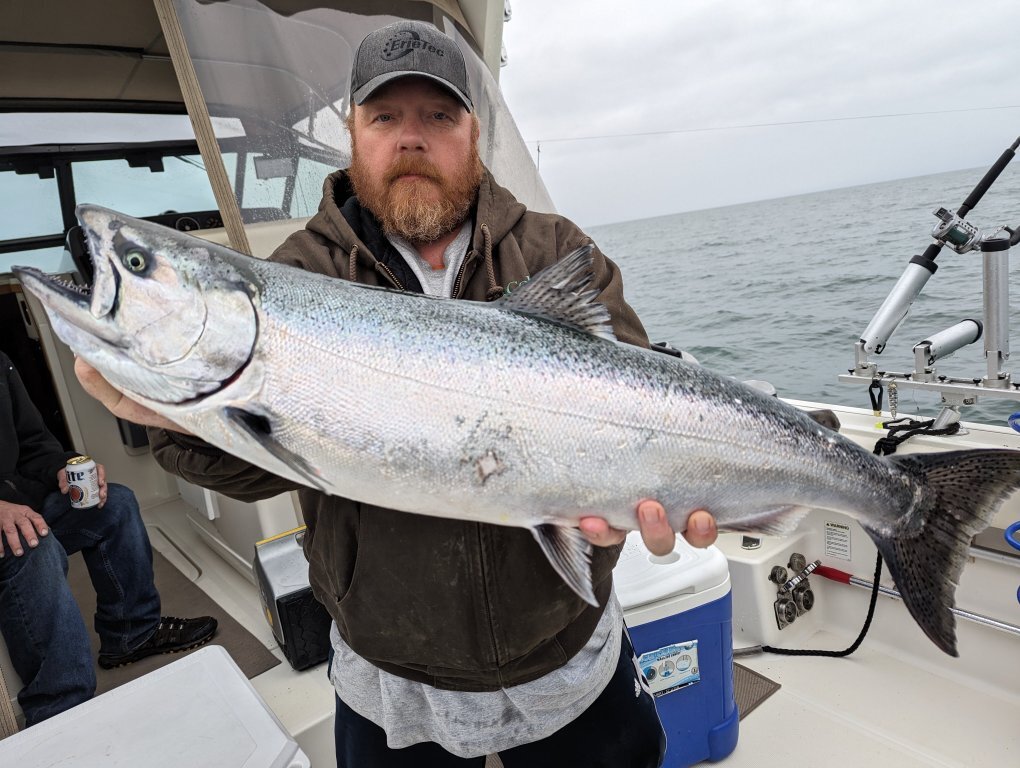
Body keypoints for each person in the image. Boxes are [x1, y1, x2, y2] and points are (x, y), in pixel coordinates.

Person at [75, 20, 718, 767]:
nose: (411, 138)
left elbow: (641, 413)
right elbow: (263, 468)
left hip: (566, 654)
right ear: (354, 134)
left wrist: (641, 497)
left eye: (438, 116)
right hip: (390, 676)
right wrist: (183, 419)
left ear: (474, 133)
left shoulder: (555, 249)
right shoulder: (300, 275)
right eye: (385, 117)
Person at [0, 350, 218, 727]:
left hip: (22, 503)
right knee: (34, 544)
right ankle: (61, 706)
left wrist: (62, 468)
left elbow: (34, 444)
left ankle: (131, 634)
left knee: (115, 504)